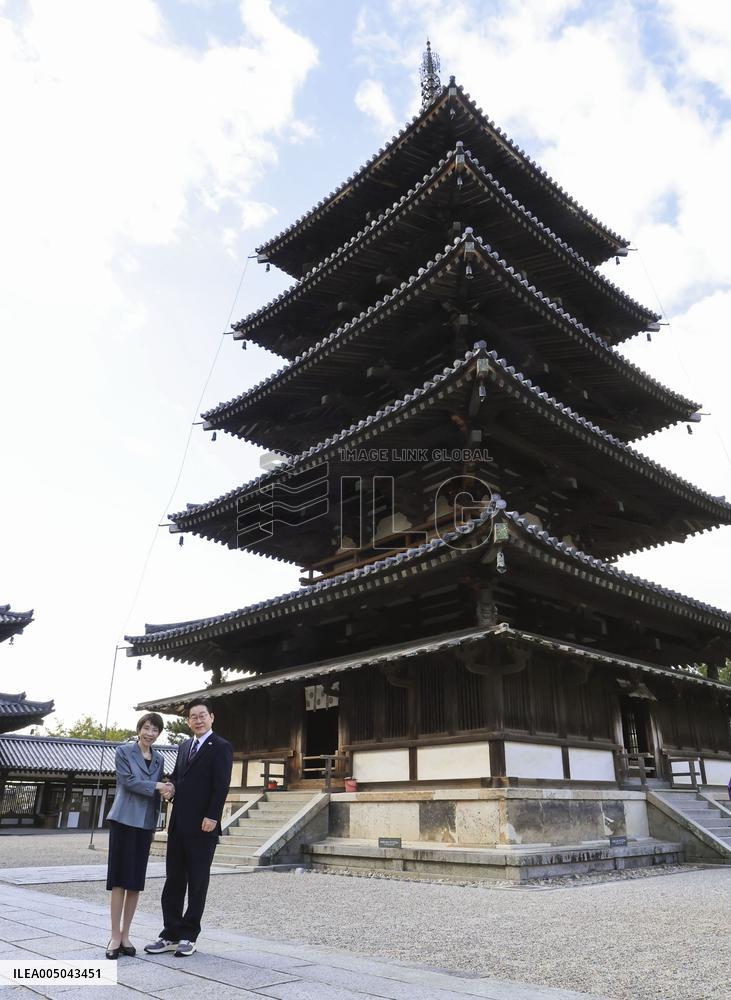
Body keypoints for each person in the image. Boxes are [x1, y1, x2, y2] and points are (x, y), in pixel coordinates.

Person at [145, 697, 233, 958]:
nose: (198, 719)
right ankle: (170, 932)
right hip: (179, 822)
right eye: (193, 716)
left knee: (197, 880)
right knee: (173, 879)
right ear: (187, 721)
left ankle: (188, 934)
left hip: (203, 824)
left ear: (211, 717)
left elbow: (221, 785)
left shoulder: (221, 747)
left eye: (202, 715)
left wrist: (213, 816)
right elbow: (179, 777)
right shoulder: (184, 746)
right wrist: (169, 788)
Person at [105, 712, 173, 960]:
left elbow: (159, 789)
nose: (150, 733)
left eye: (155, 730)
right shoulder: (124, 752)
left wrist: (168, 789)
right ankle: (114, 935)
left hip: (145, 823)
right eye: (146, 728)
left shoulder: (159, 759)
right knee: (119, 880)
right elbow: (128, 781)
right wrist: (158, 786)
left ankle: (126, 935)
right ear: (139, 729)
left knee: (135, 881)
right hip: (123, 819)